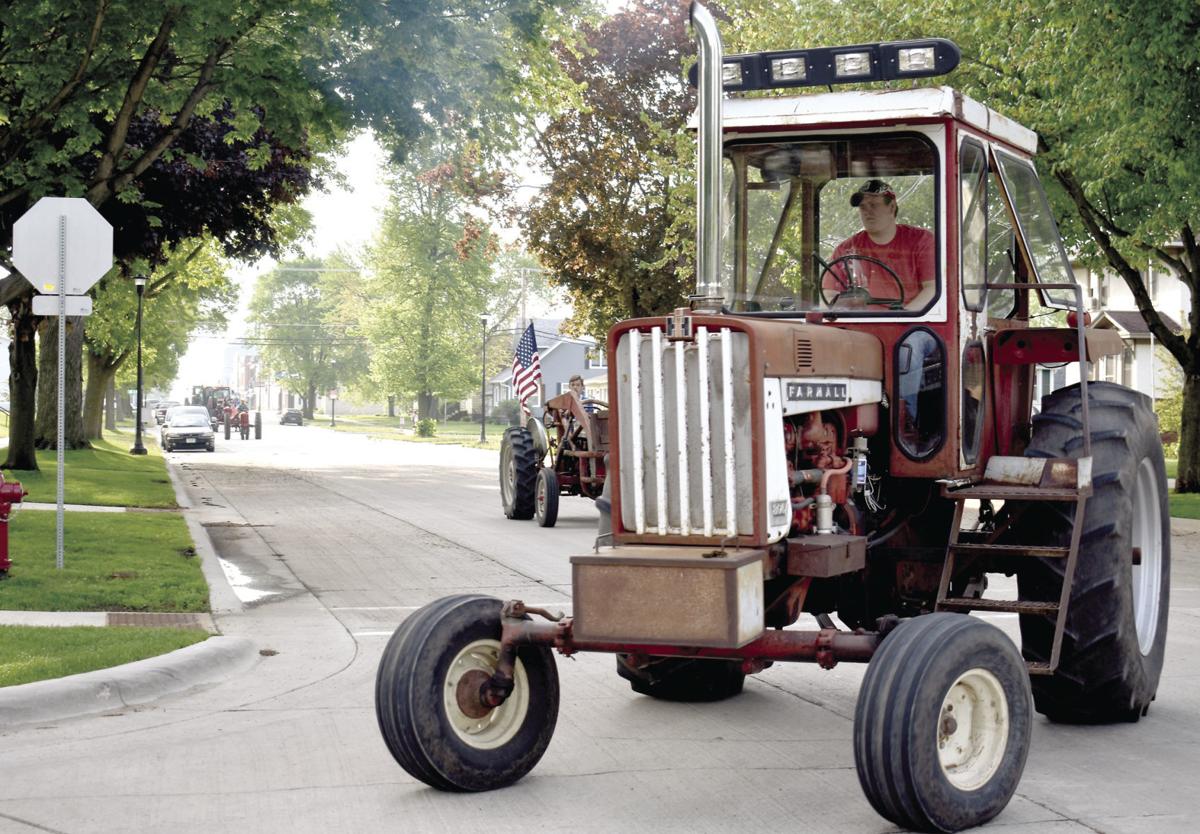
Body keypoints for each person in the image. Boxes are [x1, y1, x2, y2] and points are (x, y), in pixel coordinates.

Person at [825, 179, 935, 309]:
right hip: (860, 325)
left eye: (874, 205)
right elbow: (828, 294)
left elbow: (932, 288)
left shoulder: (921, 241)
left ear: (892, 207)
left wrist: (902, 317)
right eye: (863, 207)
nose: (867, 211)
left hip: (909, 324)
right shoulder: (845, 250)